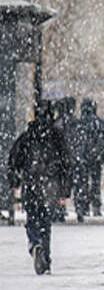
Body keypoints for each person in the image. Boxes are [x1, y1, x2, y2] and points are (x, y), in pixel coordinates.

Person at [8, 100, 72, 275]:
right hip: (49, 184)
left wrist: (15, 180)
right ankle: (46, 260)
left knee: (32, 217)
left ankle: (35, 243)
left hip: (31, 182)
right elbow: (66, 162)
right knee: (45, 220)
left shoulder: (28, 135)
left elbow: (14, 159)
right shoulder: (57, 136)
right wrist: (65, 189)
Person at [78, 98, 104, 217]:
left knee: (83, 182)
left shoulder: (80, 123)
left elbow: (77, 140)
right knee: (96, 182)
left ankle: (84, 207)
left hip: (83, 158)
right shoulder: (100, 123)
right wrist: (97, 152)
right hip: (97, 158)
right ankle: (96, 207)